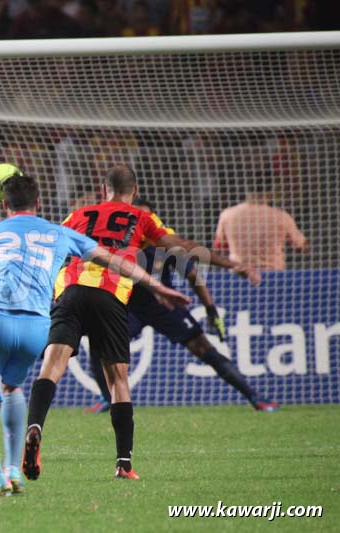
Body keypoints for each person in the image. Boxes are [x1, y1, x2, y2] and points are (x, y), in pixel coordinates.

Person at [23, 164, 260, 482]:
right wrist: (232, 264)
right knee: (118, 380)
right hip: (111, 294)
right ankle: (123, 463)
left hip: (71, 290)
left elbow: (49, 248)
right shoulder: (142, 218)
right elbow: (183, 248)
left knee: (51, 366)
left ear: (103, 189)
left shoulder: (78, 214)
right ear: (134, 191)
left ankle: (35, 426)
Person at [0, 168, 190, 495]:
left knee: (46, 370)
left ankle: (29, 435)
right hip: (102, 298)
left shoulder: (67, 218)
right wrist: (157, 287)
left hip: (64, 294)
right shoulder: (65, 230)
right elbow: (117, 261)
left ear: (4, 204)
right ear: (38, 202)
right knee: (117, 380)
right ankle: (124, 464)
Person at [85, 198, 279, 415]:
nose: (140, 220)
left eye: (146, 216)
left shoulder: (165, 245)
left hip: (165, 306)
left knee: (203, 348)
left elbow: (193, 275)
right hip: (128, 308)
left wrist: (210, 309)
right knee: (99, 346)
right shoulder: (117, 244)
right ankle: (108, 398)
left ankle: (254, 396)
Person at [213, 175, 307, 271]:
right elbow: (301, 246)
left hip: (239, 274)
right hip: (274, 274)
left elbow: (219, 246)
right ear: (270, 194)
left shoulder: (228, 215)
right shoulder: (281, 217)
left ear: (246, 191)